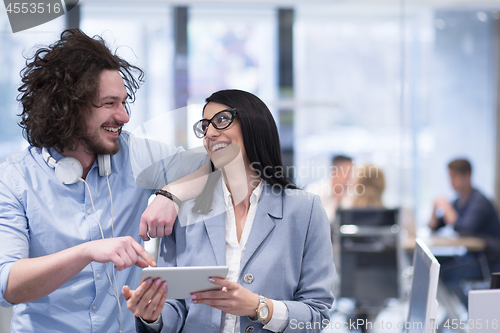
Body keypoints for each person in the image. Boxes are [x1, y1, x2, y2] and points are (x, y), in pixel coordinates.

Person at [0, 29, 205, 332]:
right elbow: (9, 286)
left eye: (124, 103)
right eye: (110, 103)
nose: (123, 116)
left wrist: (170, 194)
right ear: (68, 106)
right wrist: (87, 251)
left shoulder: (135, 154)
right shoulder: (14, 178)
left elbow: (216, 164)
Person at [123, 89, 335, 333]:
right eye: (205, 126)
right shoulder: (183, 212)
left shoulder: (304, 210)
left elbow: (317, 315)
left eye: (222, 120)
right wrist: (153, 316)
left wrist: (258, 307)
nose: (210, 133)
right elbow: (176, 308)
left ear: (254, 125)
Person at [428, 158, 500, 305]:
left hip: (487, 261)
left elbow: (464, 229)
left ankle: (470, 313)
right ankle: (461, 313)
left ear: (467, 176)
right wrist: (435, 209)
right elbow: (434, 226)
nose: (451, 182)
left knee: (444, 275)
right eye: (450, 177)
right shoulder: (460, 201)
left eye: (454, 177)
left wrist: (446, 206)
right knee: (432, 264)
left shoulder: (479, 201)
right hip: (470, 257)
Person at [306, 155, 353, 221]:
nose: (350, 178)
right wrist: (336, 202)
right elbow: (315, 221)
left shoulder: (350, 193)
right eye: (348, 174)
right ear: (335, 172)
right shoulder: (314, 192)